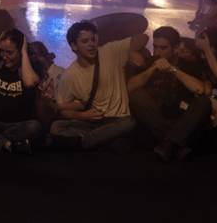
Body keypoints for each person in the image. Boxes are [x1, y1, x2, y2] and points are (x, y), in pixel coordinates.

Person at [49, 21, 147, 150]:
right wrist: (82, 116)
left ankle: (84, 142)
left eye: (93, 40)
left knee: (129, 123)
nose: (91, 44)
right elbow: (64, 110)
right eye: (85, 41)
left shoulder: (109, 51)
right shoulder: (69, 75)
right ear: (74, 46)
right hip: (93, 122)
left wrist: (130, 50)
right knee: (57, 126)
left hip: (119, 119)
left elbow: (143, 38)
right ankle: (101, 140)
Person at [127, 26, 212, 161]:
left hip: (181, 118)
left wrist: (172, 69)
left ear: (176, 48)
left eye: (163, 48)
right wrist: (153, 68)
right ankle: (173, 142)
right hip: (156, 118)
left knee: (204, 102)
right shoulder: (150, 62)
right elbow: (130, 88)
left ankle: (169, 142)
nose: (158, 52)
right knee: (136, 96)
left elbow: (200, 89)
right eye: (155, 47)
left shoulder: (187, 64)